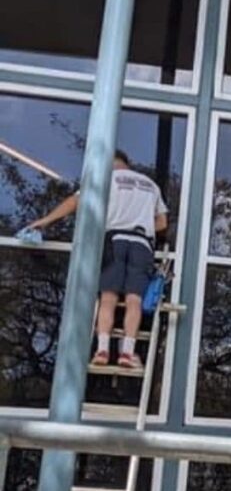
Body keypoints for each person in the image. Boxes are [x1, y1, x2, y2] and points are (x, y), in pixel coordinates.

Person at [28, 149, 169, 371]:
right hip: (142, 244)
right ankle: (127, 353)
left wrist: (45, 221)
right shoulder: (150, 185)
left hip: (114, 241)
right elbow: (162, 224)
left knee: (108, 298)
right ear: (126, 163)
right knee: (134, 300)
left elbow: (75, 201)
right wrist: (140, 218)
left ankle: (102, 349)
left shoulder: (106, 179)